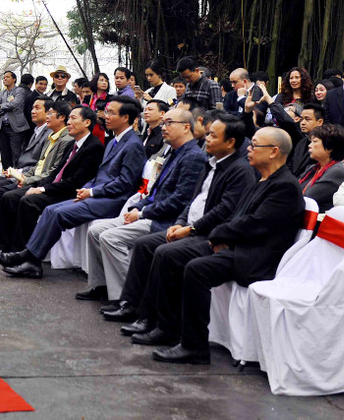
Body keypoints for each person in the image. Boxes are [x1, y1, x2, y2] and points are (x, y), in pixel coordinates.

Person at [148, 127, 304, 364]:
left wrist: (218, 236)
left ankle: (194, 346)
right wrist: (220, 236)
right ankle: (167, 327)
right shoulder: (262, 178)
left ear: (273, 151)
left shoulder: (285, 186)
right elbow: (237, 218)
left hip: (256, 255)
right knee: (171, 255)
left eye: (254, 146)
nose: (248, 149)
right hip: (238, 245)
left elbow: (255, 224)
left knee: (197, 269)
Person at [104, 114, 254, 325]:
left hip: (206, 233)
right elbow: (192, 201)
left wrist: (190, 229)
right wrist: (180, 222)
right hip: (186, 226)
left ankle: (161, 323)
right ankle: (132, 305)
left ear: (230, 142)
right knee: (144, 245)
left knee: (165, 252)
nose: (207, 139)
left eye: (213, 135)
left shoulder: (239, 170)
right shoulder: (211, 163)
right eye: (208, 134)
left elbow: (222, 211)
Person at [0, 96, 147, 279]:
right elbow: (99, 176)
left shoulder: (132, 145)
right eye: (107, 112)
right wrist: (87, 189)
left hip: (112, 200)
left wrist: (92, 192)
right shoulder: (114, 142)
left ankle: (29, 258)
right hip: (96, 194)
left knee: (56, 213)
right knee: (51, 210)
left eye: (111, 113)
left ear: (125, 117)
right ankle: (30, 259)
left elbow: (125, 183)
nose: (105, 116)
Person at [81, 108, 207, 305]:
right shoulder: (175, 152)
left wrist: (142, 213)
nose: (163, 128)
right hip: (152, 212)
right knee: (95, 230)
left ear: (186, 127)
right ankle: (101, 286)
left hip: (165, 220)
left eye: (169, 123)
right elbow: (155, 193)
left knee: (110, 238)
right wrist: (136, 208)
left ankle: (128, 297)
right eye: (163, 123)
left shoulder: (193, 157)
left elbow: (180, 201)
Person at [0, 106, 104, 256]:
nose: (69, 122)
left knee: (28, 201)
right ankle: (4, 245)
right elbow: (56, 173)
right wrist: (36, 184)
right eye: (69, 118)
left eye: (73, 118)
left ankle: (20, 251)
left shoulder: (94, 147)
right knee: (10, 196)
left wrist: (43, 189)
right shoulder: (73, 144)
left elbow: (75, 182)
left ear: (87, 122)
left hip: (69, 192)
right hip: (54, 186)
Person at [0, 99, 69, 253]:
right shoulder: (52, 135)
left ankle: (9, 245)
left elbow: (52, 172)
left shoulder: (64, 139)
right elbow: (39, 164)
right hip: (31, 175)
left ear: (61, 117)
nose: (32, 111)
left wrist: (26, 179)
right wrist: (22, 175)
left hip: (43, 183)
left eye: (50, 113)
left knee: (6, 195)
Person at [0, 101, 52, 243]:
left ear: (48, 113)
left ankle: (0, 233)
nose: (32, 111)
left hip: (28, 175)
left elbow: (39, 164)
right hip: (21, 171)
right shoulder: (37, 130)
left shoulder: (49, 134)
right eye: (32, 107)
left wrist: (20, 173)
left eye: (37, 108)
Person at [297, 123, 344, 212]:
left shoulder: (337, 171)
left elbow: (307, 198)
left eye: (315, 141)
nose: (309, 145)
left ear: (330, 147)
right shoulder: (312, 168)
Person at [0, 71, 29, 168]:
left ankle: (16, 173)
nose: (5, 79)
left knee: (16, 154)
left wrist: (1, 106)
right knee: (4, 154)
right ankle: (6, 173)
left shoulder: (19, 91)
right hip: (3, 127)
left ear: (14, 79)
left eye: (7, 77)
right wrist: (4, 107)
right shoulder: (2, 93)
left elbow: (15, 104)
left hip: (16, 127)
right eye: (4, 77)